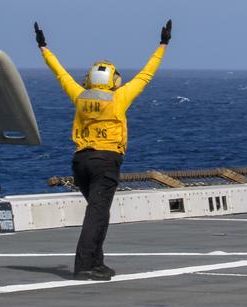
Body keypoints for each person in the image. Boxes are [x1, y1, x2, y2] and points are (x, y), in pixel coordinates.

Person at [34, 20, 171, 281]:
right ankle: (84, 265)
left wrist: (44, 48)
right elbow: (146, 74)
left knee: (100, 212)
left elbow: (60, 73)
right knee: (96, 213)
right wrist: (163, 45)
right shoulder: (118, 98)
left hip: (80, 161)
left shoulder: (80, 95)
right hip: (105, 162)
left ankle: (97, 262)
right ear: (113, 80)